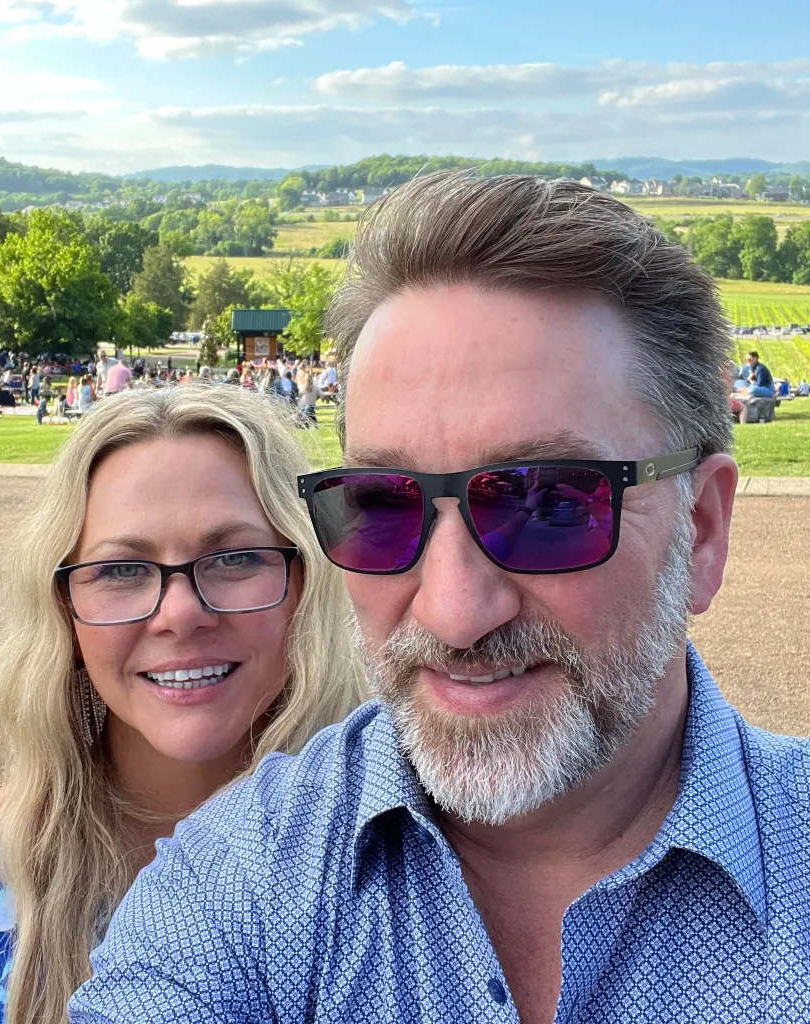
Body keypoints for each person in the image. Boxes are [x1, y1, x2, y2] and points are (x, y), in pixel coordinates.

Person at [70, 173, 810, 1023]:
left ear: (704, 530)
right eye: (384, 504)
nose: (456, 612)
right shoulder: (235, 890)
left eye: (551, 504)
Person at [0, 386, 364, 1024]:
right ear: (65, 612)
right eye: (121, 570)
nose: (181, 614)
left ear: (305, 586)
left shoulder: (423, 863)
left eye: (236, 558)